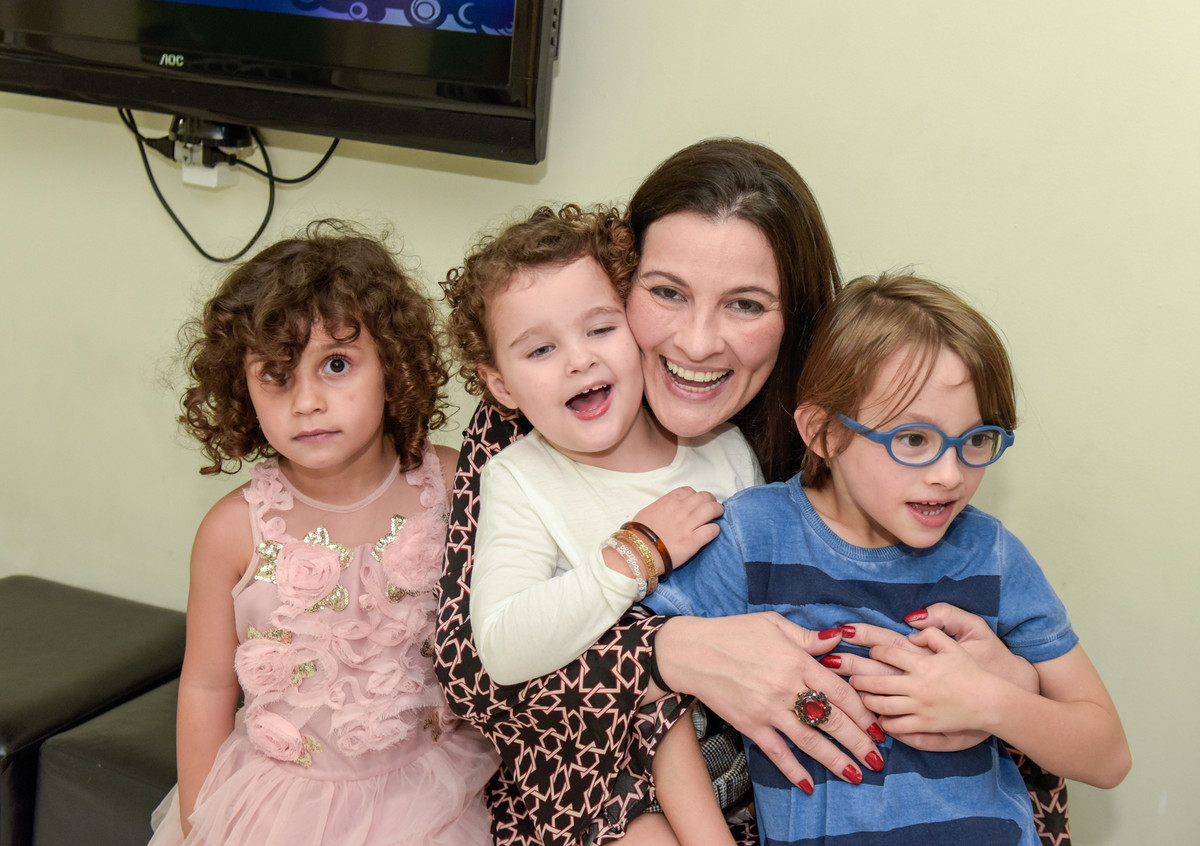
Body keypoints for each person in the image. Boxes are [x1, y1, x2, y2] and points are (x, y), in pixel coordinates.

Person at [434, 138, 1067, 846]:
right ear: (621, 283)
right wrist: (668, 650)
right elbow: (472, 671)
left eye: (746, 304)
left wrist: (1011, 682)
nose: (700, 343)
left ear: (795, 318)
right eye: (667, 292)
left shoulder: (836, 425)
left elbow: (947, 621)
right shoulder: (534, 420)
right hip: (613, 800)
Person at [642, 273, 1130, 844]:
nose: (950, 474)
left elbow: (1108, 755)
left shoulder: (992, 555)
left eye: (976, 440)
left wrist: (989, 702)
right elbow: (645, 697)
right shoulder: (754, 539)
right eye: (913, 439)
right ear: (822, 431)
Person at [149, 220, 498, 845]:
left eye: (336, 364)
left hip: (433, 797)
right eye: (277, 375)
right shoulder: (232, 531)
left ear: (393, 364)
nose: (306, 400)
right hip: (278, 810)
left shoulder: (455, 481)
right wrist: (200, 825)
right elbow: (205, 686)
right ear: (241, 388)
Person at [443, 203, 764, 844]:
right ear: (500, 384)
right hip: (598, 765)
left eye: (600, 329)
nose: (577, 361)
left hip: (734, 740)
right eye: (540, 348)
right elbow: (502, 648)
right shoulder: (519, 478)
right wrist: (635, 551)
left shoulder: (721, 448)